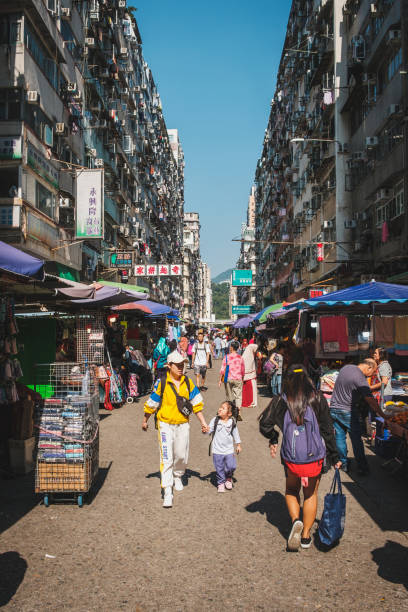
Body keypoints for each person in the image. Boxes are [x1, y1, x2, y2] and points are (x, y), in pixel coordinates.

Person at [262, 365, 341, 551]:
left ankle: (295, 520)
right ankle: (305, 536)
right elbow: (328, 430)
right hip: (314, 458)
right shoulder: (317, 398)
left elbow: (265, 424)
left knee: (291, 489)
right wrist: (335, 455)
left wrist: (273, 437)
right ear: (307, 379)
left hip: (291, 458)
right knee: (310, 494)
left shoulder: (280, 400)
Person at [142, 351, 208, 508]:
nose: (180, 367)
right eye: (177, 365)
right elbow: (152, 403)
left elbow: (197, 404)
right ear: (169, 366)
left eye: (182, 364)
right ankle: (167, 491)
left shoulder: (188, 382)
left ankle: (178, 475)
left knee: (180, 455)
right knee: (166, 457)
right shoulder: (161, 383)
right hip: (165, 425)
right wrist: (145, 420)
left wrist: (203, 423)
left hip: (183, 425)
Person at [330, 358, 385, 476]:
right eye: (373, 372)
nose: (372, 375)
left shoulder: (346, 368)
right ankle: (362, 466)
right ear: (369, 367)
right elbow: (370, 400)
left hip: (334, 408)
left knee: (340, 437)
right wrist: (383, 414)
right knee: (356, 439)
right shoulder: (360, 378)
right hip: (347, 410)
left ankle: (343, 464)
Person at [206, 401, 242, 492]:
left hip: (229, 450)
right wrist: (205, 429)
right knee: (219, 467)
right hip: (217, 450)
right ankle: (221, 483)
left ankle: (228, 477)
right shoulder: (215, 420)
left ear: (229, 413)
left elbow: (236, 434)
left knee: (231, 466)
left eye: (223, 408)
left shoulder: (232, 422)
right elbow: (209, 430)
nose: (220, 409)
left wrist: (238, 445)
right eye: (220, 407)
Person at [219, 340, 245, 418]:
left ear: (231, 348)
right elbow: (243, 370)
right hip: (238, 378)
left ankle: (229, 411)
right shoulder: (240, 357)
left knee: (229, 396)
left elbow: (222, 369)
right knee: (238, 396)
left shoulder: (226, 357)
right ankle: (239, 412)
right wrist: (242, 378)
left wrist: (220, 380)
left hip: (228, 378)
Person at [242, 343, 258, 408]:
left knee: (245, 391)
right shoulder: (249, 356)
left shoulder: (246, 355)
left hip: (245, 377)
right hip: (250, 377)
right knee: (251, 391)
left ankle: (247, 402)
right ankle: (251, 402)